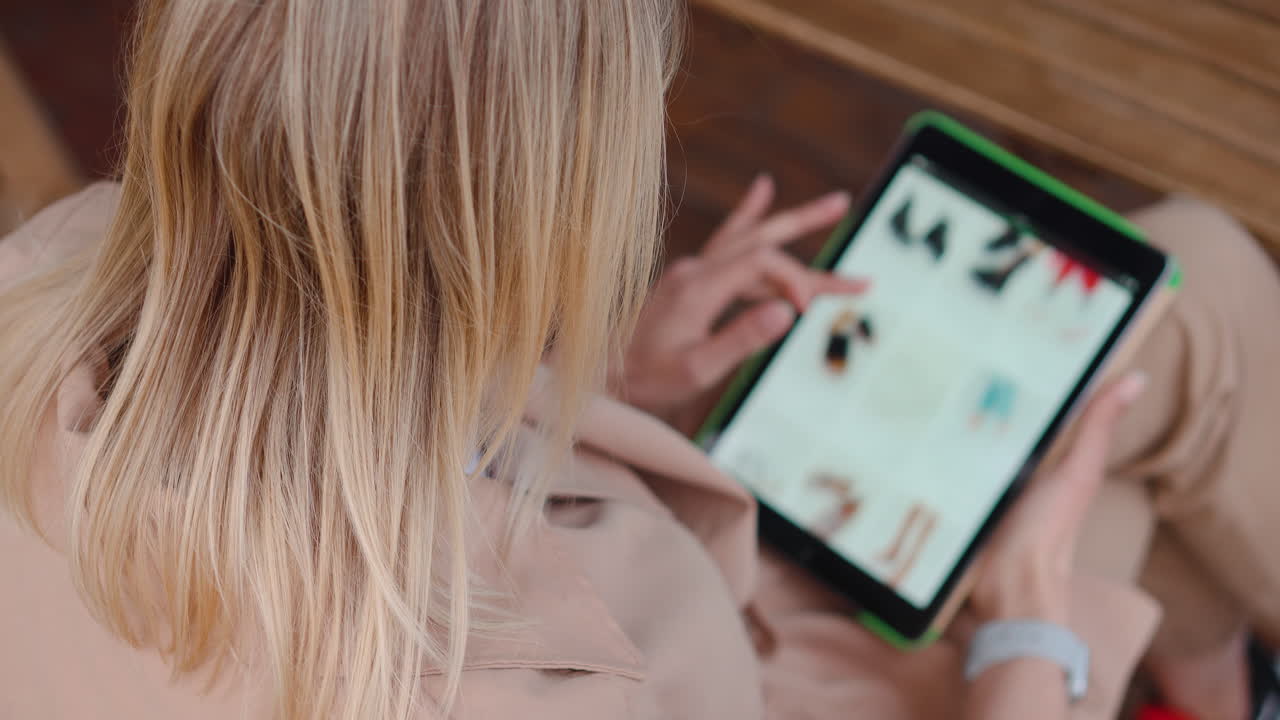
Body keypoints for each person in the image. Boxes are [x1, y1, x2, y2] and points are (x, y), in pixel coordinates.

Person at [1, 2, 1276, 719]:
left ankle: (1216, 685)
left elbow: (307, 342)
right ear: (548, 201)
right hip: (759, 677)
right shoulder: (577, 682)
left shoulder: (53, 273)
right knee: (1182, 330)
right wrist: (1025, 647)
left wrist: (593, 390)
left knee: (1150, 352)